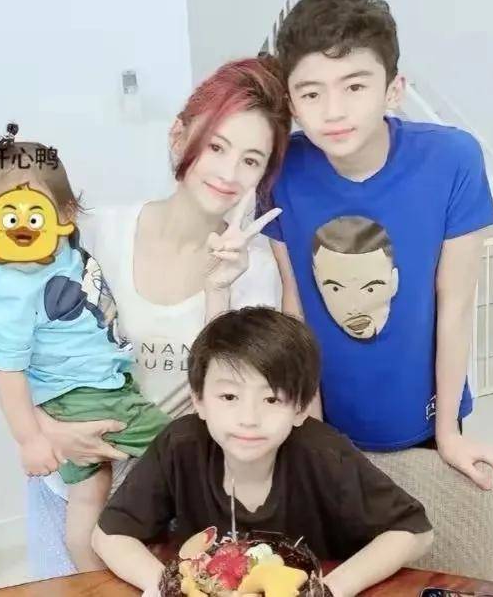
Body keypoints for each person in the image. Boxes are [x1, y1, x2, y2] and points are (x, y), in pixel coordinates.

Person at [24, 56, 292, 576]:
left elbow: (228, 400)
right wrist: (44, 430)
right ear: (178, 136)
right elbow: (9, 340)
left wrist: (219, 290)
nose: (228, 173)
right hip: (69, 480)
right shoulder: (97, 232)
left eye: (251, 160)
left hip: (166, 499)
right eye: (216, 146)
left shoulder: (255, 270)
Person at [263, 0, 493, 493]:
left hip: (425, 415)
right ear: (292, 102)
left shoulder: (452, 159)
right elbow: (296, 306)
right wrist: (311, 430)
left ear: (393, 89)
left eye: (354, 86)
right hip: (328, 417)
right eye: (312, 93)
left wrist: (448, 432)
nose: (333, 111)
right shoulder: (281, 170)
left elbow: (456, 303)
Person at [92, 307, 434, 597]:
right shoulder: (180, 446)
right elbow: (109, 535)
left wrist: (330, 589)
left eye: (272, 399)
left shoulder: (324, 454)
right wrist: (165, 588)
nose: (249, 418)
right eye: (229, 397)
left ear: (300, 407)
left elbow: (415, 532)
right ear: (199, 400)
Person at [0, 126, 171, 570]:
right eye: (0, 218)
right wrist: (31, 439)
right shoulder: (10, 290)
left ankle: (91, 572)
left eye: (31, 213)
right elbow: (6, 372)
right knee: (181, 447)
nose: (19, 229)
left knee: (90, 492)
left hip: (101, 382)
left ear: (65, 213)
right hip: (81, 395)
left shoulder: (62, 247)